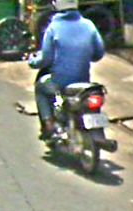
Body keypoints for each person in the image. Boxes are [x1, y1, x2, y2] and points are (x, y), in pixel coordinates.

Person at [28, 0, 105, 140]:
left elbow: (46, 59)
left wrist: (32, 61)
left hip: (60, 81)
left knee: (40, 87)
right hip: (83, 82)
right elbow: (98, 53)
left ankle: (49, 124)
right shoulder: (89, 25)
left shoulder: (53, 28)